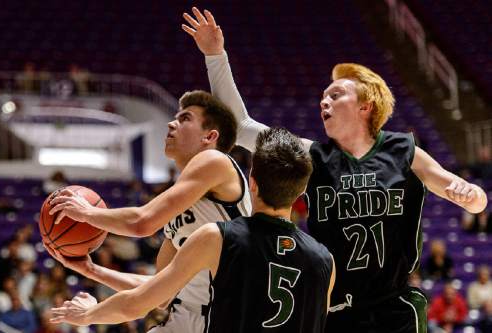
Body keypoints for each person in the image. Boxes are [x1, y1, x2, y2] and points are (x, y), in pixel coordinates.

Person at [181, 7, 488, 332]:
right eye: (322, 98)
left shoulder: (404, 151)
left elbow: (470, 194)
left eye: (335, 95)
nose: (323, 102)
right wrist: (215, 55)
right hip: (335, 307)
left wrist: (472, 197)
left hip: (394, 307)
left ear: (365, 106)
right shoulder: (314, 155)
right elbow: (242, 128)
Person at [49, 127, 336, 333]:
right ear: (300, 194)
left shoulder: (217, 237)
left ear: (252, 183)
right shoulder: (325, 260)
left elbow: (139, 304)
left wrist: (88, 314)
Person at [46, 90, 251, 333]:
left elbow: (142, 223)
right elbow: (159, 292)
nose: (171, 123)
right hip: (186, 318)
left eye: (185, 118)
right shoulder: (179, 210)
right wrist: (90, 270)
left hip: (220, 319)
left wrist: (86, 213)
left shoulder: (215, 161)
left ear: (210, 136)